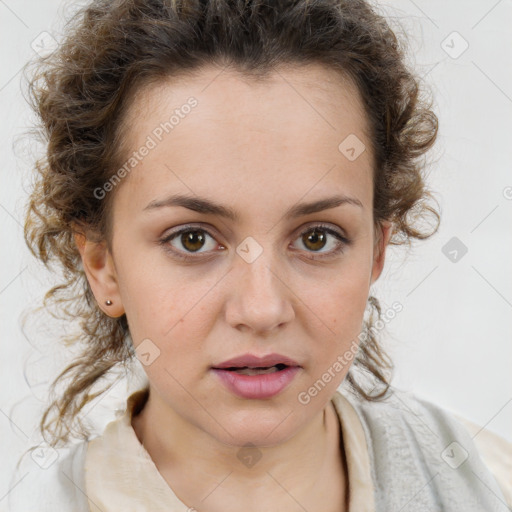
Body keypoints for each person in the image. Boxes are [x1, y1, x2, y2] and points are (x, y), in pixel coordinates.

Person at [9, 0, 511, 510]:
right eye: (192, 240)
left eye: (317, 238)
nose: (262, 309)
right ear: (103, 266)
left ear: (376, 252)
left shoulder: (487, 483)